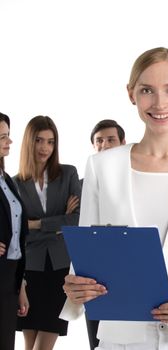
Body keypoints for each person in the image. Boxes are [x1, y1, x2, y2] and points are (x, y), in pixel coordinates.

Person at [60, 47, 168, 350]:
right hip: (122, 337)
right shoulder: (101, 166)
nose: (159, 103)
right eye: (146, 90)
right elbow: (87, 258)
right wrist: (75, 287)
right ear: (131, 94)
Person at [15, 115, 81, 349]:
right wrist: (56, 225)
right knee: (29, 337)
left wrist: (34, 224)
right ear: (29, 143)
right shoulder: (15, 183)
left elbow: (74, 221)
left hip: (60, 266)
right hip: (28, 267)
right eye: (39, 141)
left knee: (46, 337)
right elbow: (16, 230)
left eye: (51, 142)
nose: (45, 148)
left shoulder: (68, 174)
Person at [84, 118, 126, 350]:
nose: (105, 145)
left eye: (111, 139)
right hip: (94, 270)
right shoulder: (85, 181)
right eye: (99, 140)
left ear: (123, 142)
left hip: (127, 266)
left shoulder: (136, 175)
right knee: (97, 336)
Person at [0, 112, 29, 350]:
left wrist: (21, 287)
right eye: (2, 137)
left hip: (10, 277)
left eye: (8, 136)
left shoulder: (7, 179)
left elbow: (17, 235)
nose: (9, 142)